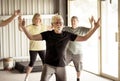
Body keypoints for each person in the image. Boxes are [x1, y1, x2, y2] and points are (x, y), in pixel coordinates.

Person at [19, 14, 100, 81]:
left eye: (60, 22)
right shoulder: (47, 34)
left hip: (61, 65)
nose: (58, 24)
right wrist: (23, 27)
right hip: (48, 65)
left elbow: (84, 38)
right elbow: (32, 37)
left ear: (63, 24)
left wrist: (95, 28)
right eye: (56, 22)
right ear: (52, 25)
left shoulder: (67, 34)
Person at [63, 16, 94, 81]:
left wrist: (91, 23)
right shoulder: (67, 29)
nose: (73, 22)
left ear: (77, 22)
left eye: (74, 21)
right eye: (72, 21)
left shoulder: (81, 29)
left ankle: (78, 78)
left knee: (78, 67)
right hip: (69, 51)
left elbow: (91, 30)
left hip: (78, 52)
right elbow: (60, 29)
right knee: (62, 64)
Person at [18, 13, 48, 81]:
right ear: (33, 20)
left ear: (40, 20)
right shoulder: (30, 26)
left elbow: (52, 28)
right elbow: (21, 29)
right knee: (32, 63)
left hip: (42, 48)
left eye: (39, 19)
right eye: (36, 19)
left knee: (45, 63)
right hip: (33, 48)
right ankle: (26, 77)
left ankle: (44, 76)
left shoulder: (43, 26)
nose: (37, 20)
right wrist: (19, 22)